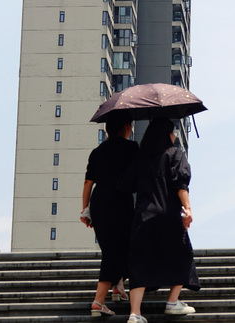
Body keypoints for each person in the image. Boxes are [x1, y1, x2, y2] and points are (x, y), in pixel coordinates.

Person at [119, 117, 200, 323]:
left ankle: (135, 314)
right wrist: (188, 209)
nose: (174, 136)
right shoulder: (175, 155)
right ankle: (172, 301)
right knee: (182, 255)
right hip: (169, 216)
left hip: (144, 217)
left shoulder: (140, 158)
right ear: (166, 135)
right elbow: (181, 184)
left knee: (139, 263)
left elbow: (126, 185)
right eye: (172, 132)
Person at [81, 110, 139, 317]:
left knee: (113, 246)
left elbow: (89, 182)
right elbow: (137, 178)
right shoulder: (132, 148)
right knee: (118, 248)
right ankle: (98, 301)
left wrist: (85, 208)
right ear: (126, 128)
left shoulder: (97, 152)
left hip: (99, 201)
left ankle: (118, 287)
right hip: (120, 201)